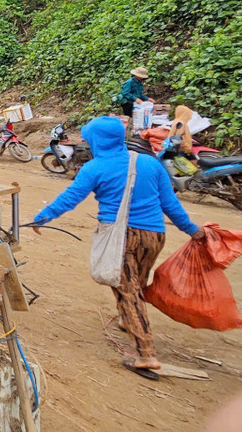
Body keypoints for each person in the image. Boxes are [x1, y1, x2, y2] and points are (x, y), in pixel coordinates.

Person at [30, 116, 204, 372]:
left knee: (126, 291)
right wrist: (192, 230)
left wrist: (43, 217)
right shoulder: (149, 163)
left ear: (97, 141)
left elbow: (71, 198)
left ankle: (146, 353)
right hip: (154, 236)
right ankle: (127, 318)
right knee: (136, 282)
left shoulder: (95, 167)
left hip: (121, 238)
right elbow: (170, 203)